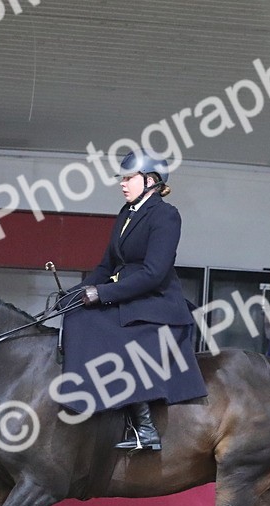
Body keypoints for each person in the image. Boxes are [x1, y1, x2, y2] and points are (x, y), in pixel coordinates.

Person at [59, 150, 207, 451]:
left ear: (150, 181)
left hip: (157, 305)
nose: (122, 184)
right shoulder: (126, 214)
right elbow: (106, 265)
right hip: (130, 298)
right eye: (122, 178)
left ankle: (145, 428)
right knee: (76, 316)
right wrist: (79, 291)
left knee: (110, 331)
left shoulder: (166, 215)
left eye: (129, 178)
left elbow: (154, 273)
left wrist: (103, 294)